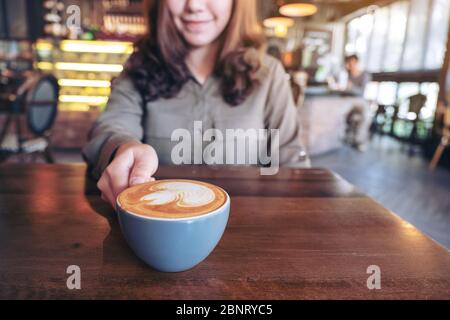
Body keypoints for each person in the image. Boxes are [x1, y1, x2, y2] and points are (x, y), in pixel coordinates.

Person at [83, 0, 309, 208]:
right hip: (158, 225)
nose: (195, 5)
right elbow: (112, 126)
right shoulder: (140, 67)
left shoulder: (268, 73)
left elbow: (290, 158)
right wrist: (122, 148)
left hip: (250, 226)